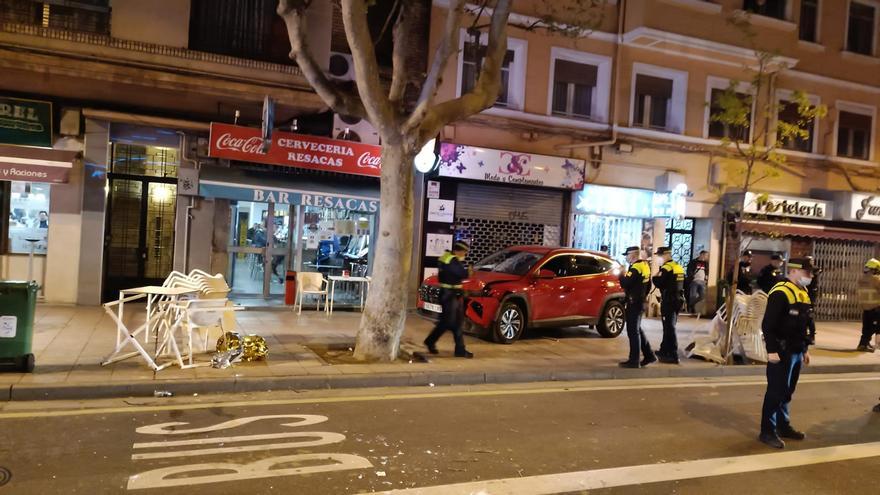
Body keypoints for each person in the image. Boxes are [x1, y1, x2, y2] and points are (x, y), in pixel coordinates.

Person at [759, 257, 816, 449]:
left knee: (787, 391)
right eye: (807, 272)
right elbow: (768, 324)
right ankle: (767, 431)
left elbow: (805, 323)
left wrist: (805, 349)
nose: (811, 276)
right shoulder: (780, 292)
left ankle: (783, 426)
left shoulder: (803, 292)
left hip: (796, 350)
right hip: (781, 351)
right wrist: (771, 350)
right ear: (793, 271)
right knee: (776, 391)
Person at [424, 241, 474, 358]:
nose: (465, 255)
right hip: (449, 296)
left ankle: (459, 350)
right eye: (464, 252)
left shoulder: (447, 258)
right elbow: (461, 273)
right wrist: (468, 271)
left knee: (455, 323)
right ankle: (431, 341)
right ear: (460, 251)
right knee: (449, 322)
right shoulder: (451, 260)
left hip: (451, 294)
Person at [618, 246, 656, 369]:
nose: (626, 257)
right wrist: (643, 297)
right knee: (637, 329)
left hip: (634, 303)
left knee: (633, 332)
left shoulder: (635, 268)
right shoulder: (645, 265)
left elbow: (625, 283)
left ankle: (634, 360)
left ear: (633, 255)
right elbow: (649, 285)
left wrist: (621, 273)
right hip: (640, 301)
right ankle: (649, 355)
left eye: (627, 255)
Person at [653, 247, 685, 364]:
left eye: (659, 256)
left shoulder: (666, 268)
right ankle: (664, 349)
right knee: (668, 325)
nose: (658, 259)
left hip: (669, 300)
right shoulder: (678, 266)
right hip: (678, 300)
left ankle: (673, 354)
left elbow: (658, 282)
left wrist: (655, 276)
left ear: (666, 255)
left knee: (669, 327)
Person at [856, 259, 880, 352]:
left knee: (866, 327)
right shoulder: (876, 279)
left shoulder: (861, 278)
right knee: (873, 328)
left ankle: (863, 344)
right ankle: (864, 344)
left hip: (865, 307)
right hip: (876, 307)